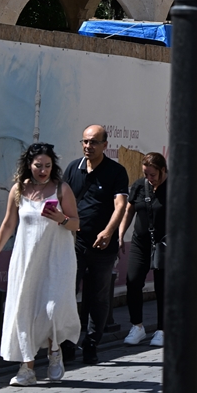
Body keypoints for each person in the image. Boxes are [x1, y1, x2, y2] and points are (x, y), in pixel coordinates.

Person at [0, 143, 80, 386]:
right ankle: (26, 368)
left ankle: (54, 351)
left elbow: (76, 224)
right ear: (29, 165)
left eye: (48, 166)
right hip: (26, 259)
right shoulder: (18, 190)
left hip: (57, 259)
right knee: (24, 309)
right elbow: (8, 224)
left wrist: (62, 218)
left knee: (53, 309)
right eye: (39, 165)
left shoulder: (61, 189)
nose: (43, 170)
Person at [64, 124, 129, 365]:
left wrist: (109, 231)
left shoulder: (116, 171)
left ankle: (91, 343)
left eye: (93, 142)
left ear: (105, 145)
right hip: (74, 244)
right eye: (85, 142)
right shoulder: (73, 168)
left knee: (98, 297)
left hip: (103, 247)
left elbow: (120, 206)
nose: (88, 146)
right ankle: (67, 343)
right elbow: (60, 201)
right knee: (68, 294)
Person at [119, 152, 167, 347]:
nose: (149, 178)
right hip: (141, 241)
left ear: (163, 171)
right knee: (133, 281)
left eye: (153, 175)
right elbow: (129, 210)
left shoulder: (175, 186)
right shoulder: (140, 185)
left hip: (164, 243)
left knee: (162, 287)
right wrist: (121, 234)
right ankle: (137, 326)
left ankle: (162, 329)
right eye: (146, 174)